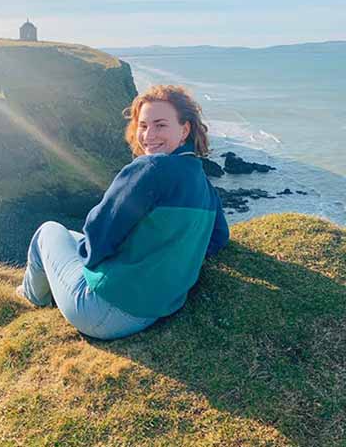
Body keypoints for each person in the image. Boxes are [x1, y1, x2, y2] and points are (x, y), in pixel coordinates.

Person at [16, 84, 229, 340]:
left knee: (48, 231)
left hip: (100, 312)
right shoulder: (200, 178)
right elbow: (218, 238)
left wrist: (92, 263)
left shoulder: (150, 167)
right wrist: (170, 258)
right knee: (69, 236)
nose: (149, 134)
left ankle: (31, 297)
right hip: (154, 310)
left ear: (184, 129)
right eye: (143, 125)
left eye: (160, 125)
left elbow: (99, 232)